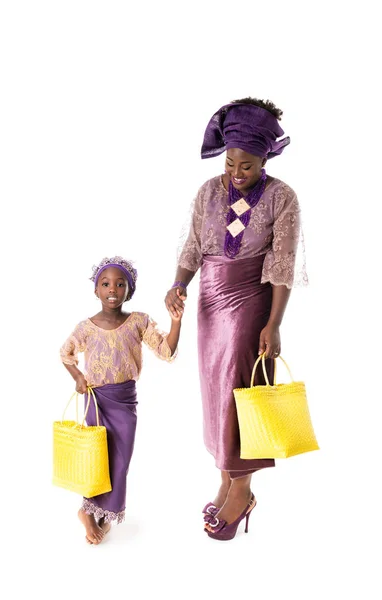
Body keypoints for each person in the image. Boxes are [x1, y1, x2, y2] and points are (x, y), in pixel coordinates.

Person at [165, 97, 306, 541]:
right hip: (209, 302)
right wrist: (178, 284)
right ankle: (226, 476)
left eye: (246, 165)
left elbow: (281, 265)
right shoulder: (209, 190)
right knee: (214, 393)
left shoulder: (282, 197)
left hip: (250, 302)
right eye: (230, 163)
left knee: (239, 392)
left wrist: (274, 323)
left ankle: (243, 486)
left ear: (265, 158)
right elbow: (193, 245)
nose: (236, 172)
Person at [61, 255, 182, 544]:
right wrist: (78, 376)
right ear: (96, 290)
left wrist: (176, 322)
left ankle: (104, 509)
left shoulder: (138, 321)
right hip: (97, 400)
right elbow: (65, 353)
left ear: (130, 290)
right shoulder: (86, 327)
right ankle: (87, 511)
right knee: (96, 456)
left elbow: (166, 351)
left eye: (119, 284)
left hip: (125, 401)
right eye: (105, 284)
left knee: (120, 460)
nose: (112, 289)